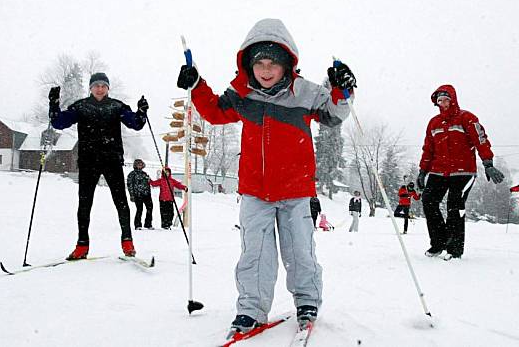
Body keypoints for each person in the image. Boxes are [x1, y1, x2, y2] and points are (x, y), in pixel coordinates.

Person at [176, 18, 354, 332]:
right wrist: (196, 85)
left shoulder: (305, 93)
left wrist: (342, 87)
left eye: (274, 62)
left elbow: (334, 115)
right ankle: (251, 310)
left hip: (296, 190)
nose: (267, 69)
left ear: (287, 64)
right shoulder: (242, 93)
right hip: (255, 191)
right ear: (249, 65)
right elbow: (216, 112)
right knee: (255, 254)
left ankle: (307, 302)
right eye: (260, 63)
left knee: (300, 251)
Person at [48, 73, 148, 259]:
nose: (100, 89)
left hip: (112, 161)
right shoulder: (81, 106)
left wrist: (141, 112)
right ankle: (82, 246)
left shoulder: (116, 106)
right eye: (96, 85)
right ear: (91, 88)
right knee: (84, 205)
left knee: (121, 203)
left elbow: (136, 124)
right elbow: (58, 122)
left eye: (103, 85)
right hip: (88, 161)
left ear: (108, 88)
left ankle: (127, 243)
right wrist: (54, 104)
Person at [417, 85, 504, 261]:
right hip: (438, 171)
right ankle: (439, 242)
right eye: (439, 100)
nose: (443, 103)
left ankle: (454, 249)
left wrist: (488, 164)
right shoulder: (433, 123)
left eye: (446, 99)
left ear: (453, 99)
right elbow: (428, 149)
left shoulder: (467, 118)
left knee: (454, 205)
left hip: (463, 172)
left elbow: (481, 140)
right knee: (428, 201)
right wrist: (422, 171)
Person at [127, 159, 154, 230]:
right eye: (138, 164)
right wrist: (132, 195)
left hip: (146, 194)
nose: (140, 165)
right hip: (137, 195)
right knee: (139, 209)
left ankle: (148, 224)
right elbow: (130, 185)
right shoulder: (132, 174)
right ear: (135, 165)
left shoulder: (144, 174)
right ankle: (137, 224)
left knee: (150, 207)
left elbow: (148, 183)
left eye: (141, 164)